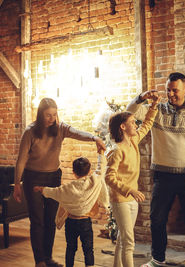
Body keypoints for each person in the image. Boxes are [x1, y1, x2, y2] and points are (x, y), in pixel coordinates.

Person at [126, 72, 185, 267]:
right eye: (168, 90)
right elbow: (130, 112)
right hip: (162, 175)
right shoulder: (156, 110)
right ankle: (157, 259)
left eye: (175, 90)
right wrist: (142, 98)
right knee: (157, 219)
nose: (171, 94)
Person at [13, 97, 106, 267]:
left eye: (54, 115)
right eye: (48, 115)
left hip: (53, 177)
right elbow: (20, 161)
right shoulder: (30, 132)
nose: (52, 119)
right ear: (40, 115)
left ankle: (47, 258)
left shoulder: (60, 128)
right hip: (32, 178)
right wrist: (17, 184)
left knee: (50, 220)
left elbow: (78, 133)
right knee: (37, 220)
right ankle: (39, 261)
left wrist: (95, 138)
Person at [105, 94, 160, 267]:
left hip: (131, 199)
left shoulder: (133, 141)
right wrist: (130, 190)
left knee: (123, 238)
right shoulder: (117, 150)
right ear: (123, 127)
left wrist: (153, 107)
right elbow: (109, 177)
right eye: (132, 122)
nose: (136, 124)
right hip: (121, 200)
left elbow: (147, 124)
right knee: (129, 242)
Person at [33, 151, 109, 267]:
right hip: (85, 223)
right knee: (88, 249)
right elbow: (101, 169)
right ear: (89, 171)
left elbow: (53, 192)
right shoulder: (94, 182)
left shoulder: (68, 188)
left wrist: (41, 189)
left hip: (71, 222)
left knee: (70, 248)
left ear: (73, 172)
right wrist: (101, 154)